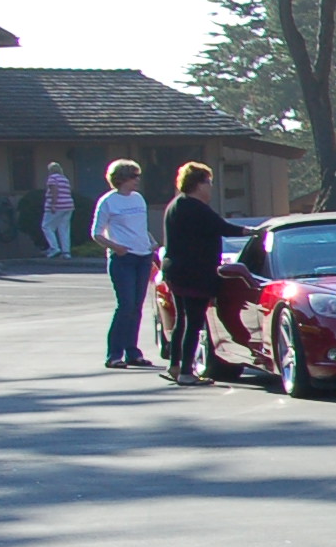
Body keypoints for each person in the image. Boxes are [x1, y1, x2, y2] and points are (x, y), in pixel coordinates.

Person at [159, 163, 232, 385]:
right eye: (208, 182)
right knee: (194, 321)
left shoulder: (176, 205)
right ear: (198, 184)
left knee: (182, 319)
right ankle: (186, 372)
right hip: (194, 273)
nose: (210, 187)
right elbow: (223, 227)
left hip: (176, 270)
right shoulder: (195, 207)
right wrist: (252, 232)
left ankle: (175, 365)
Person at [91, 160, 156, 369]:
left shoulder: (138, 199)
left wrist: (150, 241)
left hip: (143, 256)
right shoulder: (108, 201)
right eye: (134, 176)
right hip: (123, 259)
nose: (137, 180)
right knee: (125, 305)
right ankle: (114, 354)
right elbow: (96, 233)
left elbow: (141, 227)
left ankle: (132, 352)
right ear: (122, 178)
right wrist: (116, 247)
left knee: (136, 307)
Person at [39, 162, 76, 260]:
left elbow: (54, 190)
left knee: (46, 226)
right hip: (68, 206)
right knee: (64, 229)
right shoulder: (65, 179)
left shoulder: (52, 178)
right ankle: (66, 252)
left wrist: (53, 204)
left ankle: (54, 248)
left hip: (57, 206)